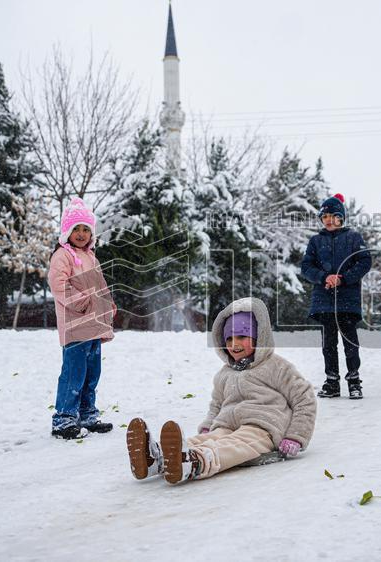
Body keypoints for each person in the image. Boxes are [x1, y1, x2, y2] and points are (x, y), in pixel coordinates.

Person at [125, 297, 317, 485]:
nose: (234, 345)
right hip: (226, 425)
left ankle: (195, 462)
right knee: (209, 438)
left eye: (242, 336)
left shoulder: (276, 366)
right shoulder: (224, 374)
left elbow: (304, 398)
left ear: (259, 336)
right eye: (229, 339)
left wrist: (296, 436)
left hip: (263, 427)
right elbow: (216, 404)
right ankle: (156, 458)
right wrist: (210, 424)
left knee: (235, 445)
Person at [47, 197, 116, 440]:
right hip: (75, 325)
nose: (81, 233)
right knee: (73, 372)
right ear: (67, 231)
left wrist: (107, 305)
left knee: (91, 372)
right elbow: (58, 285)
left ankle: (87, 413)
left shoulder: (91, 257)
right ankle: (64, 418)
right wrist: (83, 301)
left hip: (94, 325)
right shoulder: (62, 256)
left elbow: (100, 285)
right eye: (76, 228)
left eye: (86, 229)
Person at [299, 193, 372, 399]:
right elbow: (306, 267)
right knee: (328, 344)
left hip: (347, 301)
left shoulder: (354, 238)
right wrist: (324, 277)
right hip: (324, 301)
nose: (328, 220)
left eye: (333, 216)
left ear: (341, 217)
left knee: (350, 342)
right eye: (325, 217)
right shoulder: (315, 241)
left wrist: (344, 278)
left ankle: (354, 381)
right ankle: (332, 382)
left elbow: (365, 262)